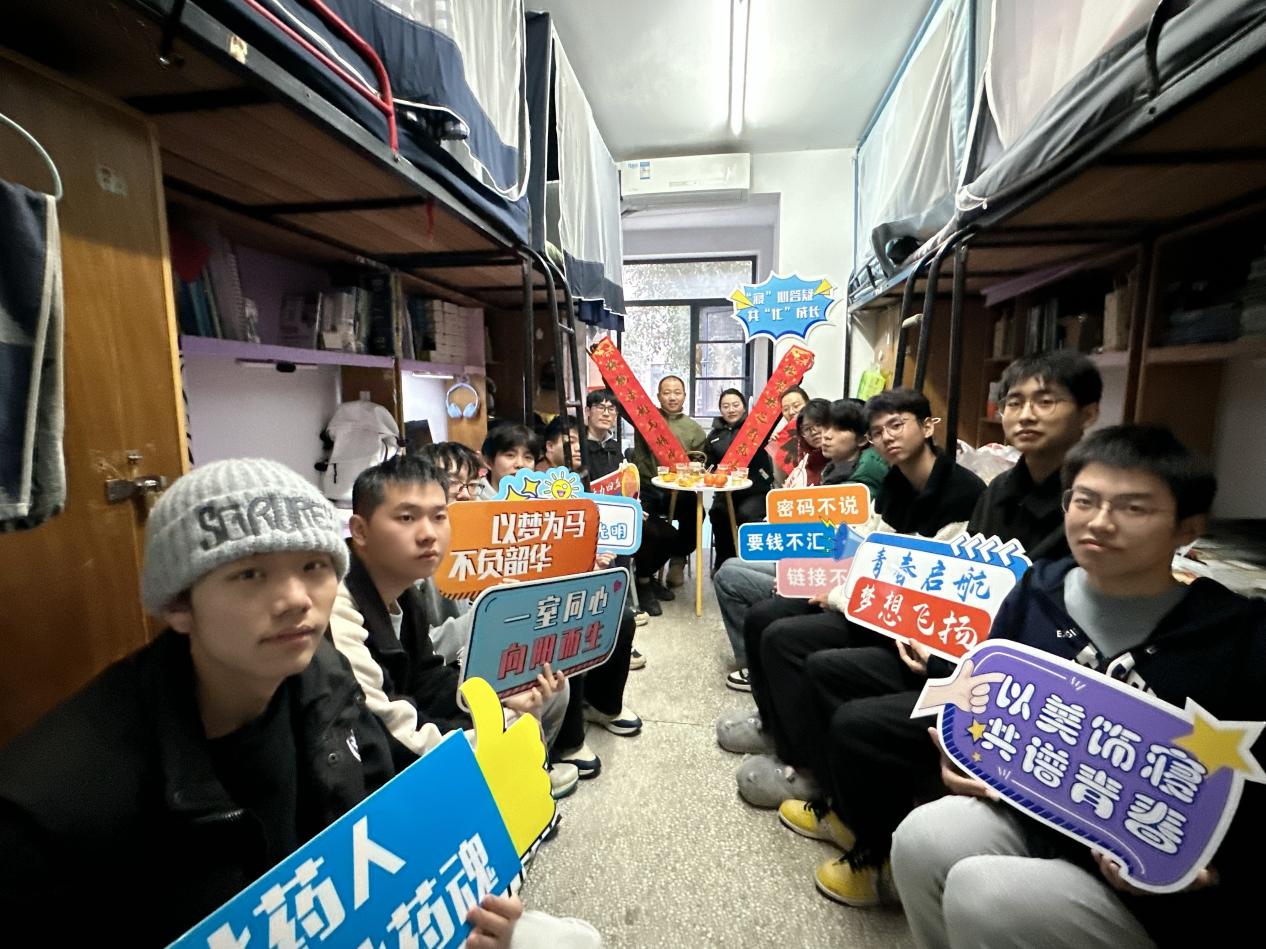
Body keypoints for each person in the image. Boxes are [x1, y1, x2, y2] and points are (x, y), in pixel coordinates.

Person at [0, 459, 527, 945]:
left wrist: (462, 915)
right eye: (250, 574)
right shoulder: (50, 806)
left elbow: (388, 828)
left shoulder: (323, 673)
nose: (297, 599)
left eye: (315, 566)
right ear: (178, 604)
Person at [892, 424, 1266, 949]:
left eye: (1133, 508)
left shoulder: (1239, 638)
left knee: (987, 892)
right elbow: (985, 695)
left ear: (1188, 528)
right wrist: (962, 756)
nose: (1100, 521)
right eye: (1084, 500)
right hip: (1037, 817)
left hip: (1153, 887)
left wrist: (1209, 869)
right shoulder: (1037, 589)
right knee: (923, 835)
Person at [781, 352, 1103, 905]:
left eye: (1046, 401)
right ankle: (846, 811)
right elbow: (955, 582)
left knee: (858, 720)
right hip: (947, 652)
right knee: (822, 666)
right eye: (1014, 402)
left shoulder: (1082, 508)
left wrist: (940, 654)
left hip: (1010, 686)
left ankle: (879, 860)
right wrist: (921, 632)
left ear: (1088, 413)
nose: (1026, 414)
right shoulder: (999, 492)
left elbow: (1043, 620)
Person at [722, 388, 986, 808]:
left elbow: (923, 584)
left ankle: (805, 766)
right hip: (867, 602)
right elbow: (867, 543)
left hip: (903, 626)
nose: (887, 438)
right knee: (762, 618)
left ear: (927, 427)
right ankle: (775, 728)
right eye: (878, 431)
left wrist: (839, 597)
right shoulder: (895, 480)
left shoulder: (962, 491)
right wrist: (821, 581)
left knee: (783, 638)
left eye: (896, 425)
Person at [327, 454, 577, 797]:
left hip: (404, 731)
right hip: (361, 777)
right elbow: (385, 731)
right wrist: (498, 734)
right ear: (360, 530)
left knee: (535, 699)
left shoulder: (401, 588)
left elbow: (428, 677)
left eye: (439, 516)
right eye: (406, 517)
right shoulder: (336, 603)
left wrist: (496, 703)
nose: (428, 534)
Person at [630, 375, 707, 599]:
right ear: (658, 396)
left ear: (685, 395)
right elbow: (622, 398)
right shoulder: (645, 417)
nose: (672, 397)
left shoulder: (694, 429)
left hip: (679, 490)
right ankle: (645, 576)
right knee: (647, 527)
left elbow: (699, 464)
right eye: (666, 392)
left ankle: (678, 559)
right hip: (647, 487)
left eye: (677, 392)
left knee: (697, 512)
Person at [705, 388, 774, 568]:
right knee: (718, 513)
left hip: (755, 491)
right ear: (720, 410)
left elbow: (776, 410)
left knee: (746, 514)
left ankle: (751, 563)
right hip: (726, 492)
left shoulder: (757, 429)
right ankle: (725, 562)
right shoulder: (713, 436)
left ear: (744, 407)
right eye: (726, 406)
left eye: (735, 405)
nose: (731, 409)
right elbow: (709, 466)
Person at [819, 399, 887, 494]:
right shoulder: (832, 469)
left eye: (840, 429)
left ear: (862, 440)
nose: (827, 435)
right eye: (826, 427)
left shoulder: (865, 480)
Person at [479, 423, 537, 498]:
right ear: (488, 461)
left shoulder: (544, 498)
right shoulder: (472, 498)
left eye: (528, 457)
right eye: (510, 455)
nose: (520, 464)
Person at [784, 398, 831, 488]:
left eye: (818, 424)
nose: (813, 432)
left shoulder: (844, 458)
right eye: (807, 429)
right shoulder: (805, 463)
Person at [767, 385, 809, 483]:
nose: (791, 412)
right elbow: (780, 480)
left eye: (796, 406)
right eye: (785, 409)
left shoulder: (820, 431)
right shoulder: (782, 437)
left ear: (808, 404)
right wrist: (776, 450)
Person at [584, 388, 623, 481]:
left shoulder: (614, 447)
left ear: (616, 415)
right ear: (588, 411)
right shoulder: (578, 445)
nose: (606, 414)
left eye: (611, 409)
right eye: (600, 407)